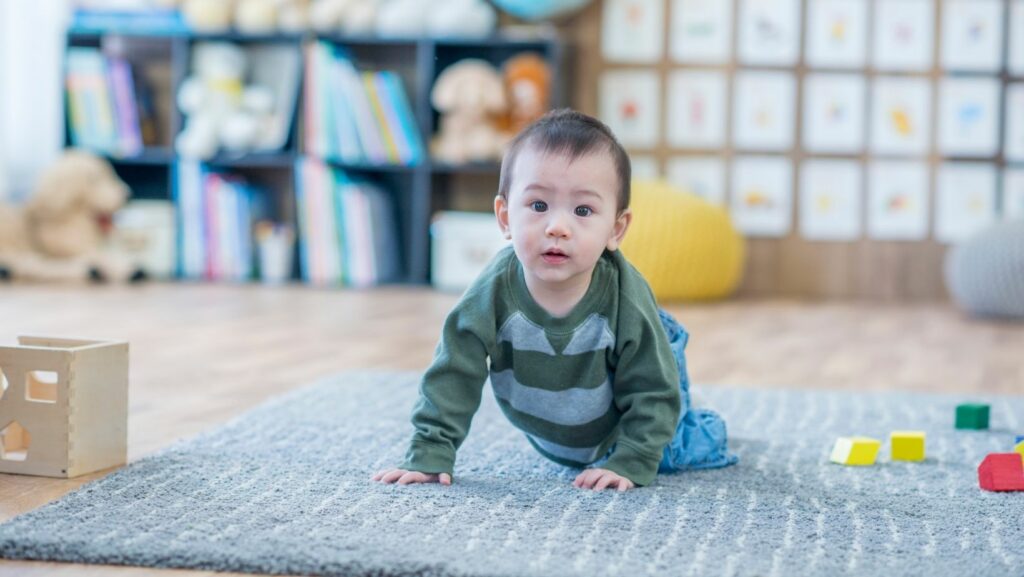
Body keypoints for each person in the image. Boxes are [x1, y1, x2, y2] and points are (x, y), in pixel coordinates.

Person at [372, 109, 736, 491]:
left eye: (583, 210)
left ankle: (694, 412)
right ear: (504, 217)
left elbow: (653, 390)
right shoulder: (491, 293)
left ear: (616, 229)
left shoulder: (625, 297)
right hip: (563, 425)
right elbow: (453, 374)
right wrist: (430, 451)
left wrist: (632, 460)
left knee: (683, 443)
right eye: (539, 205)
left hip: (632, 405)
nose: (558, 227)